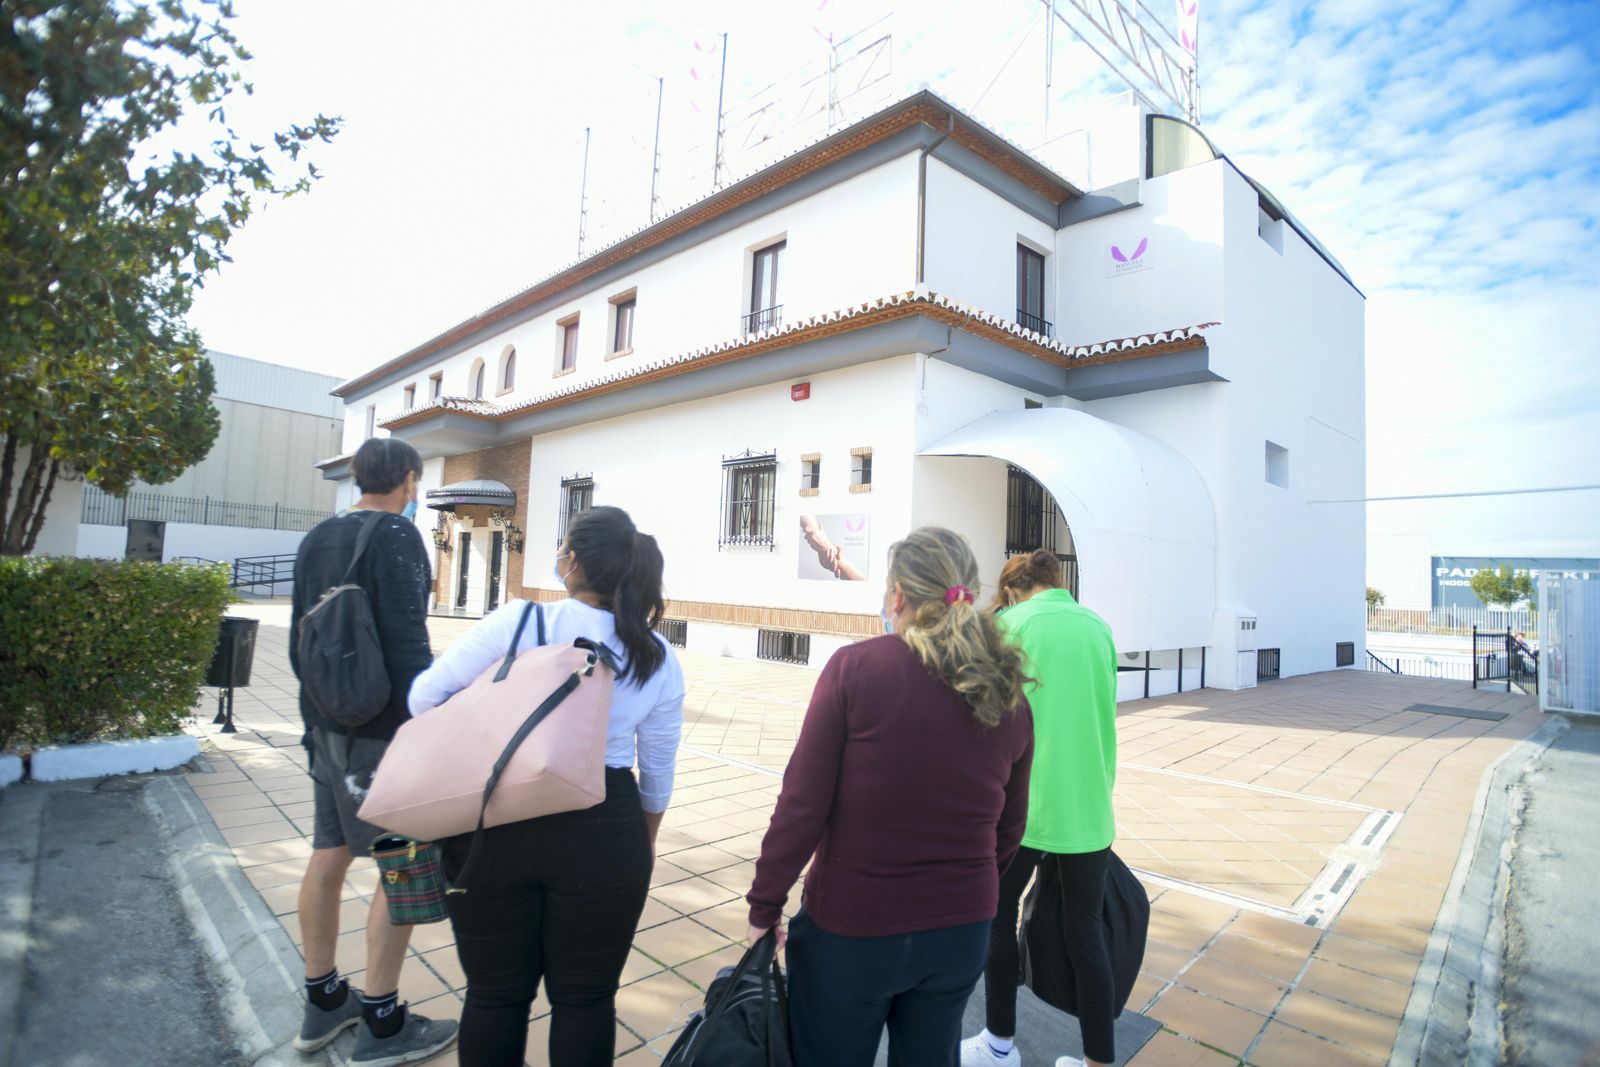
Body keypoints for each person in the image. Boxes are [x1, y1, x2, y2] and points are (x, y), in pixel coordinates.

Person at [746, 526, 1035, 1067]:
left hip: (854, 930)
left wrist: (766, 903)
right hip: (960, 930)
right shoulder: (1007, 694)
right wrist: (964, 886)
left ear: (898, 595)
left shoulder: (856, 670)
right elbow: (1010, 827)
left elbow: (802, 805)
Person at [407, 505, 685, 1066]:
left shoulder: (519, 622)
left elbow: (423, 699)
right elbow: (657, 773)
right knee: (586, 999)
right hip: (605, 830)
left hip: (494, 823)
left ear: (572, 561)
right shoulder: (657, 656)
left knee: (494, 995)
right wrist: (643, 840)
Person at [288, 436, 459, 1065]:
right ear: (409, 480)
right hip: (385, 730)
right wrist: (429, 723)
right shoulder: (397, 536)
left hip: (326, 727)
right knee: (405, 866)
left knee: (328, 854)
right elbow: (410, 644)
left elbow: (299, 638)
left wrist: (315, 718)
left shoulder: (316, 538)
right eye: (415, 483)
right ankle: (382, 1022)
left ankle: (323, 1000)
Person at [962, 550, 1118, 1067]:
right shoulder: (1098, 627)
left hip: (1022, 807)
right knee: (1087, 936)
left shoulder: (1009, 625)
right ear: (1058, 582)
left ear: (1012, 589)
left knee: (998, 918)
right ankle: (1097, 1060)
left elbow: (981, 715)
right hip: (1089, 807)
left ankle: (1000, 1046)